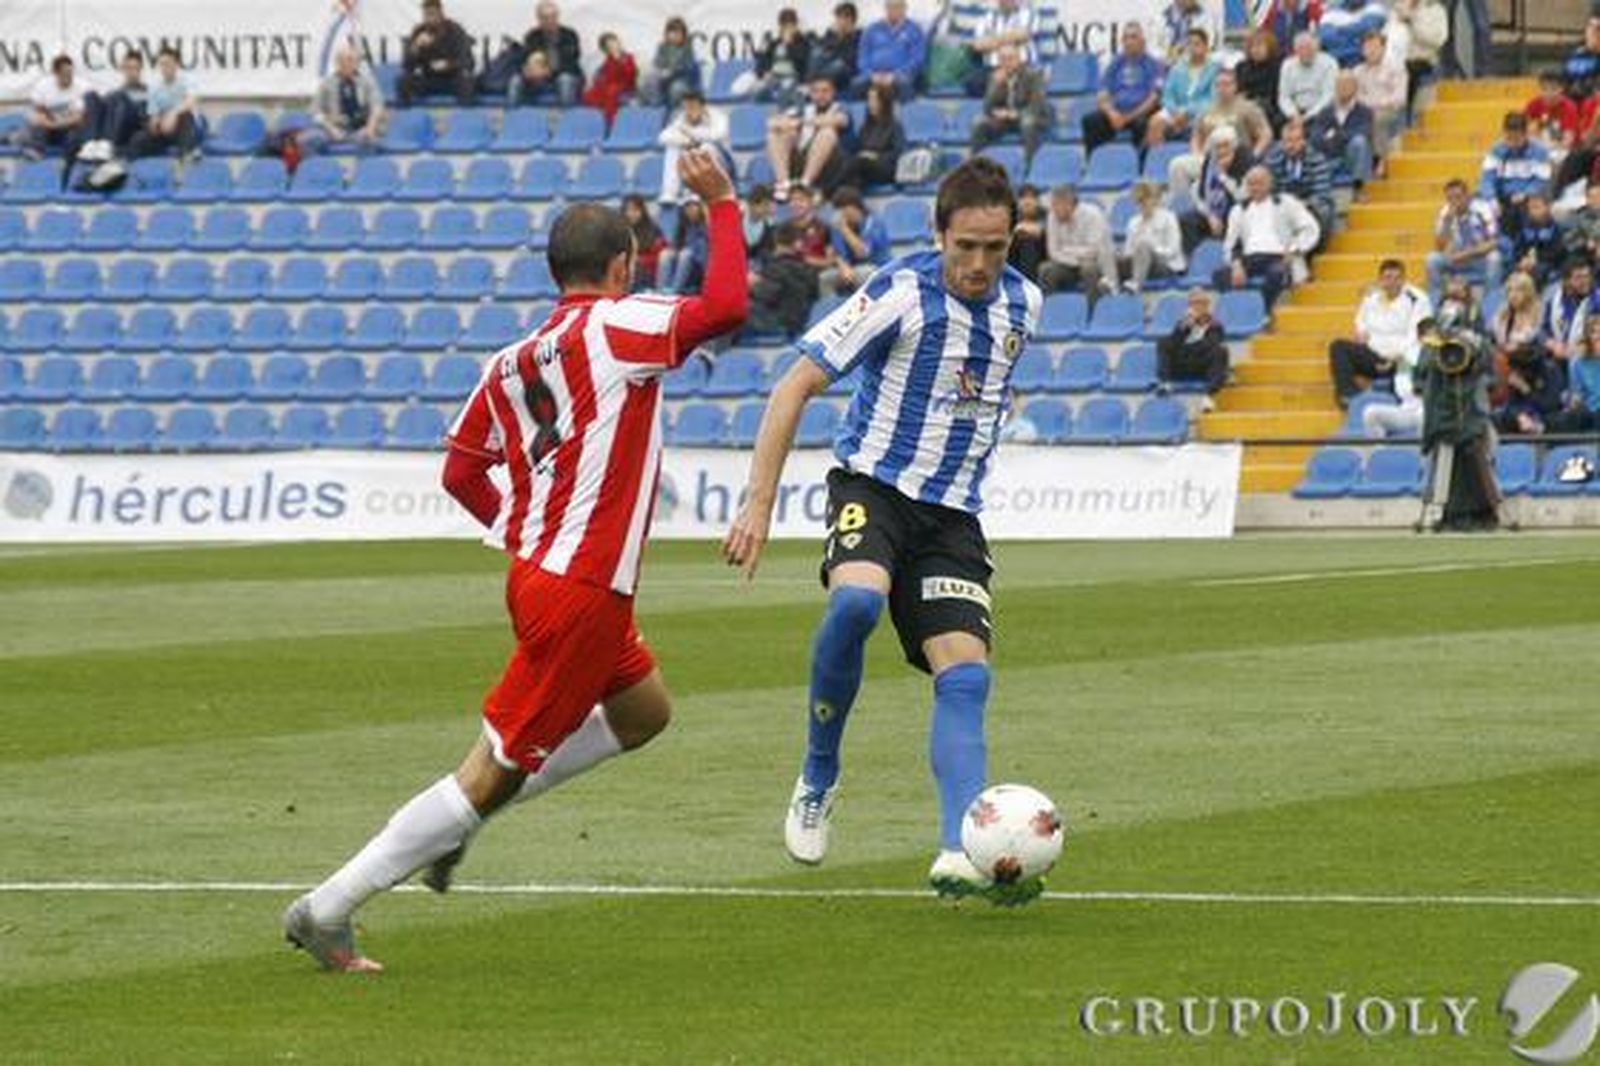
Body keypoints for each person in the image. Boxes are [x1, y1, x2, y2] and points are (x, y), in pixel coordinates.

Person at [282, 150, 748, 974]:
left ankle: (465, 821)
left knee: (644, 712)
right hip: (580, 590)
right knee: (488, 770)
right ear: (620, 267)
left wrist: (526, 530)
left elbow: (462, 469)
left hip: (545, 575)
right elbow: (725, 306)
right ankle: (328, 908)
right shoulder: (618, 325)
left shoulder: (512, 360)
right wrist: (723, 204)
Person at [721, 156, 1045, 903]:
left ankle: (963, 848)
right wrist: (759, 505)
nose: (978, 264)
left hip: (953, 518)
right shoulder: (898, 292)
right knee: (858, 603)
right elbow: (795, 382)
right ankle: (819, 772)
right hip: (873, 487)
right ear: (940, 235)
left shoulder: (1025, 305)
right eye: (964, 246)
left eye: (994, 248)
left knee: (965, 677)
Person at [1329, 258, 1432, 408]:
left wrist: (1395, 357)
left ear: (1404, 279)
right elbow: (1360, 320)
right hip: (1374, 354)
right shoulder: (1372, 297)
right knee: (1338, 347)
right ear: (1381, 280)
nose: (1392, 283)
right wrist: (1361, 332)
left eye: (1397, 278)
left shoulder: (1417, 299)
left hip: (1401, 357)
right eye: (1388, 278)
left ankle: (1401, 398)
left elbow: (1417, 334)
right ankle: (1348, 394)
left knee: (1409, 362)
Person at [1215, 165, 1320, 309]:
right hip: (1250, 258)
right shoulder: (1238, 210)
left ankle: (1263, 311)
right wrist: (1236, 264)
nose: (1255, 188)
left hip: (1279, 256)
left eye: (1259, 183)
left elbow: (1310, 228)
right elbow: (1231, 244)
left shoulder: (1286, 202)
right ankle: (1240, 311)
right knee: (1220, 276)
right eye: (1251, 184)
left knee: (1276, 273)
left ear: (1269, 183)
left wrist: (1294, 249)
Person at [1168, 68, 1272, 196]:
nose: (1222, 88)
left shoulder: (1247, 108)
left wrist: (1254, 155)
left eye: (1227, 84)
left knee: (1225, 133)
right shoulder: (1206, 110)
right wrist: (1197, 154)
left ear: (1235, 86)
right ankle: (1183, 205)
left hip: (1238, 159)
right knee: (1177, 165)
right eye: (1218, 85)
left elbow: (1265, 134)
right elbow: (1196, 137)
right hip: (1210, 160)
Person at [767, 76, 854, 200]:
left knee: (827, 132)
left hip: (832, 167)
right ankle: (783, 183)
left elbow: (840, 120)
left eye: (825, 91)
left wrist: (801, 122)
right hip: (803, 160)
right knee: (776, 134)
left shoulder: (841, 108)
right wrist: (790, 125)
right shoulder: (805, 109)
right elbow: (771, 123)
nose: (820, 95)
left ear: (833, 92)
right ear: (810, 93)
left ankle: (806, 184)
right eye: (816, 91)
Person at [1082, 23, 1165, 153]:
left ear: (1142, 41)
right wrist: (1111, 113)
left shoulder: (1153, 64)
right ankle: (1094, 164)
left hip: (1140, 113)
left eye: (1133, 37)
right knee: (1091, 121)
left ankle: (1140, 168)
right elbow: (1102, 95)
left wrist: (1128, 117)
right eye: (1125, 38)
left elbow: (1154, 99)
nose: (1129, 42)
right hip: (1116, 113)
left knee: (1143, 124)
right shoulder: (1115, 63)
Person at [969, 45, 1051, 167]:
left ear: (1019, 60)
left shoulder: (1033, 75)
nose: (1007, 63)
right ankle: (978, 166)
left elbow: (1037, 105)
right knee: (978, 122)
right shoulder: (996, 77)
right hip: (1005, 121)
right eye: (1003, 59)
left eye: (1010, 59)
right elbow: (987, 108)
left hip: (1028, 116)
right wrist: (996, 85)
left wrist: (1016, 114)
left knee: (1028, 123)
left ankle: (1031, 166)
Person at [298, 47, 386, 157]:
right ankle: (318, 170)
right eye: (346, 60)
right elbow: (315, 111)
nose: (350, 64)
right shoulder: (327, 83)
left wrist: (370, 127)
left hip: (360, 128)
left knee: (368, 140)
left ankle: (364, 172)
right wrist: (330, 128)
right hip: (334, 128)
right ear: (338, 63)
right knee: (308, 139)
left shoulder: (367, 81)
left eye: (353, 60)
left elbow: (377, 105)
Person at [1425, 178, 1501, 303]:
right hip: (1456, 259)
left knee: (1495, 258)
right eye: (1449, 199)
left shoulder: (1483, 209)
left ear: (1468, 196)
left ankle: (1490, 304)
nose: (1454, 202)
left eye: (1458, 197)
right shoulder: (1445, 213)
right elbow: (1439, 247)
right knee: (1432, 259)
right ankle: (1435, 302)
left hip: (1479, 259)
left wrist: (1465, 254)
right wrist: (1447, 223)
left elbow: (1493, 243)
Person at [1479, 113, 1552, 239]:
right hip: (1502, 196)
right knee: (1482, 205)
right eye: (1508, 138)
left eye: (1516, 139)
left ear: (1525, 134)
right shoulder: (1496, 150)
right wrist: (1491, 199)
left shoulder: (1539, 151)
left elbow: (1541, 181)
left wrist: (1525, 193)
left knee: (1519, 211)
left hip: (1527, 196)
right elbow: (1487, 179)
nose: (1512, 143)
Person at [1177, 126, 1250, 253]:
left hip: (1235, 213)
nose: (1221, 151)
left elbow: (1241, 197)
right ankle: (1192, 259)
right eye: (1217, 147)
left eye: (1226, 146)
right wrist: (1210, 216)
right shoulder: (1209, 162)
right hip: (1212, 214)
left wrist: (1223, 176)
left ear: (1234, 146)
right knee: (1186, 219)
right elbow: (1200, 195)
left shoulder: (1244, 161)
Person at [1040, 184, 1118, 297]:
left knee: (1089, 269)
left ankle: (1093, 311)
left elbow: (1094, 251)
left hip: (1097, 263)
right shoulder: (1052, 216)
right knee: (1045, 270)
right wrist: (1076, 259)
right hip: (1067, 264)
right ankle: (1049, 311)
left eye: (1055, 205)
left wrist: (1066, 250)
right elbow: (1053, 252)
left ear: (1068, 204)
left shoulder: (1093, 214)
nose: (1052, 209)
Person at [1263, 116, 1334, 239]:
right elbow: (1270, 191)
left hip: (1310, 207)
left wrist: (1299, 207)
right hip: (1283, 209)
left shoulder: (1317, 160)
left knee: (1323, 210)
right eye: (1287, 141)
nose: (1291, 145)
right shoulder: (1272, 160)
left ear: (1303, 141)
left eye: (1295, 141)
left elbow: (1321, 194)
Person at [1147, 28, 1218, 149]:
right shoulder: (1177, 68)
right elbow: (1167, 96)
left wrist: (1187, 112)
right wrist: (1174, 112)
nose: (1193, 48)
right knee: (1155, 122)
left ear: (1206, 47)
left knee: (1206, 123)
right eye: (1189, 44)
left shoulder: (1214, 69)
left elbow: (1212, 99)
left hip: (1200, 112)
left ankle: (1198, 158)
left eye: (1197, 44)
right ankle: (1157, 159)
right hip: (1176, 110)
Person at [748, 221, 822, 336]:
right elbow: (815, 296)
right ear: (797, 244)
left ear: (776, 241)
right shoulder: (810, 270)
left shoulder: (775, 269)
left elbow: (765, 296)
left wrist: (751, 284)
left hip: (778, 324)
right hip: (801, 323)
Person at [128, 48, 202, 162]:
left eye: (167, 64)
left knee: (186, 116)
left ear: (176, 65)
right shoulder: (155, 86)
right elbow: (153, 114)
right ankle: (130, 170)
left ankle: (185, 159)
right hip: (164, 129)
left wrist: (173, 114)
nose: (164, 68)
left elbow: (190, 101)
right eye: (161, 64)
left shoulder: (188, 79)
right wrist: (155, 124)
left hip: (186, 128)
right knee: (138, 138)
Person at [74, 52, 149, 164]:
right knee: (90, 95)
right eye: (128, 68)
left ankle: (108, 144)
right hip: (114, 126)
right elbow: (100, 111)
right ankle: (91, 143)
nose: (132, 72)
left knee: (118, 95)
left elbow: (147, 118)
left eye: (135, 68)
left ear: (140, 70)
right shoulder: (114, 92)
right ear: (123, 69)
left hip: (132, 127)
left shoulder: (148, 91)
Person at [659, 90, 732, 204]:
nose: (689, 111)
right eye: (686, 107)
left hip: (723, 164)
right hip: (695, 160)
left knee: (706, 147)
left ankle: (701, 191)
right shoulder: (682, 119)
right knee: (672, 148)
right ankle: (670, 192)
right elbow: (663, 137)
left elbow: (717, 135)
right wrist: (686, 141)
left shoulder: (718, 116)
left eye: (693, 106)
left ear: (703, 107)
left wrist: (690, 132)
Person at [398, 0, 475, 106]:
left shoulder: (455, 30)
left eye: (432, 14)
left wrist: (448, 65)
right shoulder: (419, 31)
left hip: (451, 79)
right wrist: (416, 46)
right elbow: (407, 66)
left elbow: (469, 62)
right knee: (402, 81)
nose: (429, 19)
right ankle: (405, 116)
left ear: (441, 14)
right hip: (429, 79)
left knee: (467, 81)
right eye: (426, 15)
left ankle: (465, 116)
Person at [1157, 288, 1229, 401]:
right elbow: (1173, 344)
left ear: (1207, 306)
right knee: (1163, 342)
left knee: (1220, 351)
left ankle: (1209, 395)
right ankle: (1165, 383)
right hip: (1182, 364)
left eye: (1200, 303)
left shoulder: (1215, 325)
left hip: (1201, 366)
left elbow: (1209, 345)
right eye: (1194, 303)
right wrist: (1184, 328)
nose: (1197, 306)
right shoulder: (1183, 323)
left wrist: (1188, 346)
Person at [1309, 70, 1376, 190]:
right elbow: (1315, 136)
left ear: (1355, 87)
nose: (1343, 88)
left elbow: (1364, 132)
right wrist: (1337, 138)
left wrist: (1335, 136)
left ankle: (1360, 188)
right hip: (1329, 154)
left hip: (1351, 156)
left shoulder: (1364, 111)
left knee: (1360, 142)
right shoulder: (1326, 111)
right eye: (1339, 84)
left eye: (1347, 84)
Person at [15, 55, 88, 161]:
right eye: (65, 74)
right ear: (55, 73)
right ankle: (35, 151)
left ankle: (69, 160)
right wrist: (47, 122)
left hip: (66, 128)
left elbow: (78, 118)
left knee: (76, 134)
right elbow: (39, 113)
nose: (68, 77)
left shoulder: (83, 87)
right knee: (34, 126)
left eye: (70, 73)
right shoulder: (43, 86)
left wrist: (54, 125)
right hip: (46, 128)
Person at [512, 1, 584, 106]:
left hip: (566, 73)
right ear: (539, 19)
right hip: (539, 75)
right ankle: (514, 117)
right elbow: (526, 58)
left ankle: (565, 119)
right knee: (515, 81)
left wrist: (548, 71)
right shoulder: (532, 36)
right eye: (545, 18)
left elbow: (570, 62)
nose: (550, 21)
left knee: (564, 81)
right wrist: (527, 70)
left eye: (553, 17)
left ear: (558, 16)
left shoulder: (569, 35)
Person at [1385, 0, 1447, 121]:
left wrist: (1413, 22)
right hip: (1397, 66)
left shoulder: (1435, 10)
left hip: (1423, 64)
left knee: (1420, 115)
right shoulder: (1396, 10)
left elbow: (1438, 40)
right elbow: (1386, 38)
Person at [1489, 271, 1544, 406]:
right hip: (1505, 363)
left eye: (1519, 290)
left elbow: (1539, 344)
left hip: (1530, 363)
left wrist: (1517, 347)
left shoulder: (1539, 314)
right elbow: (1493, 341)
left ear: (1528, 292)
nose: (1513, 295)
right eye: (1510, 290)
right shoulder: (1502, 315)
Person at [822, 186, 891, 293]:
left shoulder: (874, 222)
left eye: (843, 208)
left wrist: (844, 229)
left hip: (876, 266)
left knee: (864, 273)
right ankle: (829, 308)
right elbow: (838, 253)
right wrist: (843, 266)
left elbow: (863, 253)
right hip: (851, 268)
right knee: (826, 277)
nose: (841, 213)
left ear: (854, 207)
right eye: (839, 209)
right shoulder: (838, 224)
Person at [1121, 180, 1185, 292]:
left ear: (1156, 199)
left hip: (1165, 265)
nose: (1143, 204)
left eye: (1147, 200)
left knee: (1144, 245)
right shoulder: (1133, 222)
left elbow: (1173, 250)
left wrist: (1153, 250)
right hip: (1138, 262)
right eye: (1140, 201)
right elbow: (1128, 251)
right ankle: (1109, 282)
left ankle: (1136, 283)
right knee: (1110, 254)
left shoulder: (1169, 218)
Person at [855, 0, 925, 102]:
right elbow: (862, 57)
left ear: (904, 8)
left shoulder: (914, 30)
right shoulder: (872, 29)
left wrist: (894, 75)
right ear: (885, 8)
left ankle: (907, 115)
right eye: (890, 7)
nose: (893, 10)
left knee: (903, 83)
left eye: (897, 7)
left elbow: (917, 59)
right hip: (874, 74)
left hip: (901, 75)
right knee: (856, 84)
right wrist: (871, 74)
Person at [839, 83, 905, 189]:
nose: (870, 103)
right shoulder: (866, 126)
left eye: (874, 99)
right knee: (851, 170)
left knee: (859, 162)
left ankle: (827, 192)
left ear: (884, 101)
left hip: (884, 168)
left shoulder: (894, 125)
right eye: (869, 99)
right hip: (863, 166)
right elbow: (858, 147)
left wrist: (875, 156)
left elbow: (898, 152)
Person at [966, 0, 1038, 96]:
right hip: (993, 69)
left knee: (1026, 82)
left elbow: (1023, 34)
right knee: (973, 83)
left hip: (1021, 67)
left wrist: (992, 41)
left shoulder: (1028, 12)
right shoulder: (987, 16)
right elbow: (978, 45)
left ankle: (1008, 94)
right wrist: (1011, 38)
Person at [1354, 31, 1407, 160]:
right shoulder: (1357, 71)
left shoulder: (1396, 68)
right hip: (1365, 113)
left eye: (1375, 47)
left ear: (1383, 48)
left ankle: (1379, 160)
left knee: (1377, 119)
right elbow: (1356, 97)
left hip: (1392, 113)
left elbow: (1400, 98)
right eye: (1367, 48)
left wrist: (1375, 104)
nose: (1371, 51)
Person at [1539, 258, 1594, 361]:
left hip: (1586, 358)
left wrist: (1577, 349)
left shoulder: (1597, 300)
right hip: (1555, 355)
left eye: (1587, 276)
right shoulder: (1552, 295)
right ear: (1566, 280)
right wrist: (1553, 344)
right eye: (1578, 277)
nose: (1585, 281)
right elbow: (1540, 330)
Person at [1552, 314, 1600, 430]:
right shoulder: (1578, 362)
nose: (1598, 336)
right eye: (1594, 332)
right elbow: (1577, 395)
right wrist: (1574, 401)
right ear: (1588, 336)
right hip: (1589, 413)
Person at [1277, 32, 1337, 126]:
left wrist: (1308, 116)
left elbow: (1328, 96)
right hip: (1295, 111)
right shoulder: (1287, 65)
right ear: (1295, 50)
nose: (1305, 52)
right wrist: (1293, 114)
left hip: (1319, 111)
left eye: (1309, 48)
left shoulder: (1329, 63)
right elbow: (1284, 96)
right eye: (1301, 48)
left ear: (1317, 48)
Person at [756, 9, 813, 106]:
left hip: (793, 77)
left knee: (787, 89)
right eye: (784, 25)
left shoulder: (803, 42)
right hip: (773, 76)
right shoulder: (774, 43)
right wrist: (764, 72)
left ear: (796, 26)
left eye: (791, 25)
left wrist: (789, 45)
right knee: (758, 91)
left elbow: (802, 62)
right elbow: (762, 61)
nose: (788, 28)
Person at [641, 17, 700, 107]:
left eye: (678, 33)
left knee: (676, 88)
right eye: (672, 32)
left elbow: (688, 67)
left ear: (683, 34)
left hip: (681, 79)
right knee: (648, 79)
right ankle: (657, 105)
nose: (675, 36)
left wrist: (673, 71)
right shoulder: (662, 46)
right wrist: (661, 71)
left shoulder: (687, 48)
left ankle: (672, 110)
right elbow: (657, 63)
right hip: (664, 79)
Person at [1234, 28, 1284, 132]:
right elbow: (1238, 91)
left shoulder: (1278, 66)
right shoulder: (1241, 67)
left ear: (1269, 47)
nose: (1256, 50)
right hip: (1244, 106)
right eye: (1252, 46)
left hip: (1270, 107)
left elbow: (1275, 94)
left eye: (1260, 45)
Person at [1525, 70, 1579, 165]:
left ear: (1561, 88)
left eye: (1553, 89)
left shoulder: (1569, 107)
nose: (1548, 93)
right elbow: (1523, 129)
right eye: (1544, 89)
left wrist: (1548, 147)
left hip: (1561, 149)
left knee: (1556, 159)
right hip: (1539, 146)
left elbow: (1568, 140)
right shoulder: (1534, 104)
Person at [582, 33, 639, 123]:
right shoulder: (608, 59)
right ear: (606, 49)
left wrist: (619, 61)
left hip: (624, 85)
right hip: (609, 84)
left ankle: (610, 120)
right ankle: (596, 117)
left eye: (614, 43)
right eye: (610, 45)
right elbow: (605, 74)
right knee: (588, 94)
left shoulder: (627, 57)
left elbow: (630, 75)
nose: (614, 46)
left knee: (611, 92)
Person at [1509, 192, 1563, 288]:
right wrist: (1522, 260)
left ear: (1547, 207)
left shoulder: (1556, 228)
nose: (1533, 212)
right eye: (1530, 208)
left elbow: (1557, 253)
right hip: (1526, 265)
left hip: (1549, 267)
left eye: (1537, 207)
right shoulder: (1524, 228)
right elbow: (1517, 249)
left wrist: (1536, 260)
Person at [658, 199, 710, 293]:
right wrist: (675, 252)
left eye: (694, 206)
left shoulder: (705, 227)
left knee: (686, 254)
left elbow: (704, 258)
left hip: (698, 270)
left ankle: (675, 291)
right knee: (665, 253)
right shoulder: (682, 227)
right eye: (687, 207)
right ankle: (661, 289)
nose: (690, 210)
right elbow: (675, 246)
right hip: (681, 266)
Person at [1317, 0, 1387, 67]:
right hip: (1336, 64)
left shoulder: (1375, 8)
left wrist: (1339, 31)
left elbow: (1368, 31)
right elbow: (1326, 38)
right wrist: (1355, 39)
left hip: (1364, 63)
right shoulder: (1331, 12)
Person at [809, 2, 862, 90]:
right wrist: (837, 38)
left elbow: (849, 58)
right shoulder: (831, 34)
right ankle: (812, 84)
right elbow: (823, 52)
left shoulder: (859, 36)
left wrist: (845, 38)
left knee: (838, 64)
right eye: (838, 17)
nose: (841, 21)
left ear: (852, 20)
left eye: (845, 17)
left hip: (847, 71)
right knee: (816, 53)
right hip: (828, 68)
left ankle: (813, 85)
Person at [621, 194, 668, 291]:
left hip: (647, 271)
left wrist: (639, 260)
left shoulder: (653, 229)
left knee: (636, 265)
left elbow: (661, 253)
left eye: (635, 210)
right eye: (628, 210)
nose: (631, 214)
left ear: (642, 211)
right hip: (626, 269)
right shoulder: (619, 229)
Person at [1008, 182, 1047, 281]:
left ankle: (1028, 282)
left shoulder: (1046, 214)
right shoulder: (1013, 214)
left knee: (1028, 242)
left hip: (1041, 251)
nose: (1027, 201)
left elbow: (1048, 232)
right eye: (1023, 198)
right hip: (1016, 251)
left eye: (1031, 198)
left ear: (1037, 201)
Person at [1563, 15, 1600, 101]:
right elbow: (1563, 82)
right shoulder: (1573, 56)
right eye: (1591, 27)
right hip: (1571, 105)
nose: (1594, 32)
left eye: (1598, 28)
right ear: (1586, 31)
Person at [744, 184, 779, 263]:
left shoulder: (771, 227)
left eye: (768, 205)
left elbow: (770, 256)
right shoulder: (735, 222)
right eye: (764, 205)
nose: (767, 209)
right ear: (751, 204)